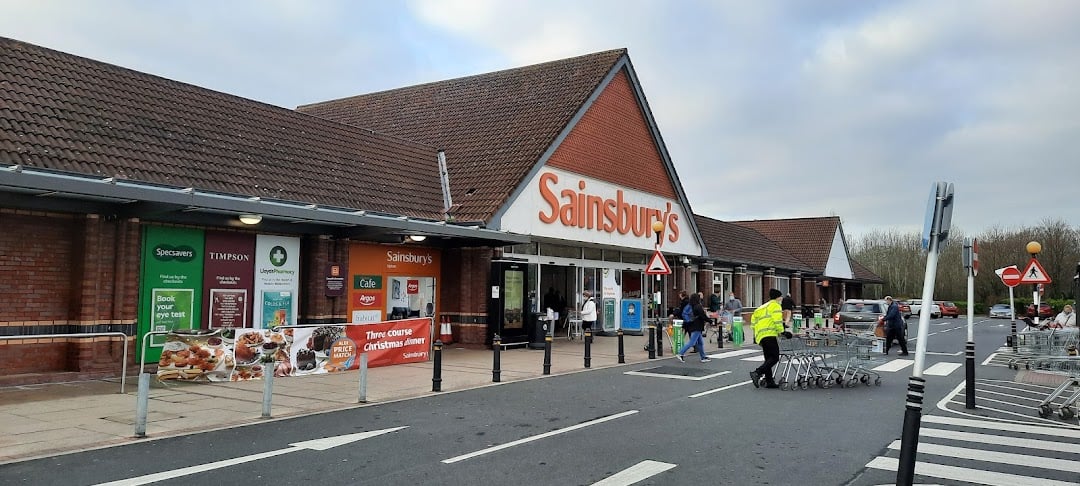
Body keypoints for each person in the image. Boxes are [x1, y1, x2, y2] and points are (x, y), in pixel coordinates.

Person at [749, 289, 790, 388]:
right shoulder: (775, 305)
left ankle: (769, 381)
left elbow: (753, 322)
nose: (782, 298)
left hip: (761, 336)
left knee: (768, 358)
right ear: (777, 297)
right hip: (770, 334)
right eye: (781, 296)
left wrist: (755, 335)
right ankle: (757, 372)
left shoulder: (761, 307)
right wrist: (782, 332)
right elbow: (777, 321)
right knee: (775, 357)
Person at [676, 292, 711, 363]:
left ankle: (703, 357)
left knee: (700, 343)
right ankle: (680, 353)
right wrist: (710, 321)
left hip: (692, 325)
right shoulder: (698, 306)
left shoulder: (691, 306)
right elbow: (703, 316)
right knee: (692, 342)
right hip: (697, 326)